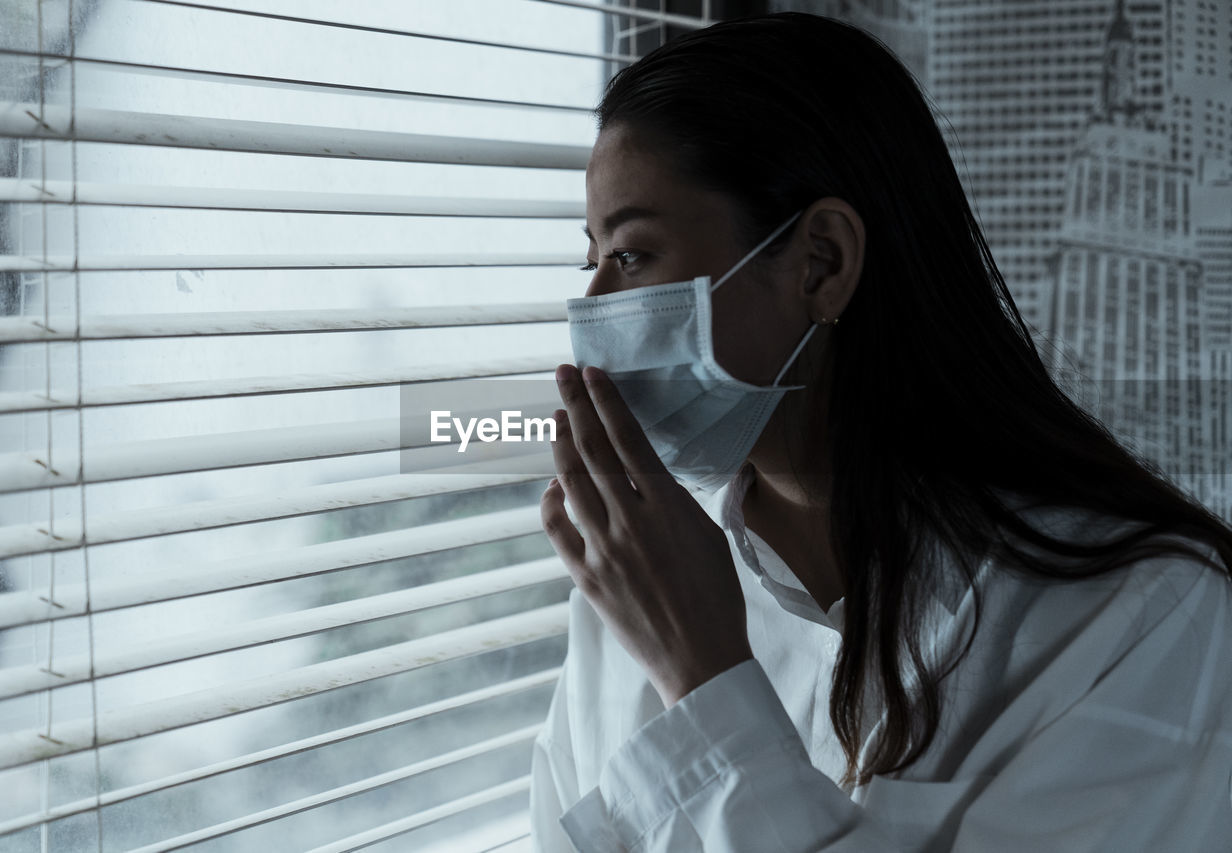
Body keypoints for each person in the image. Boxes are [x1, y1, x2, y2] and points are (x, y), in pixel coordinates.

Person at [528, 11, 1232, 853]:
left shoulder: (1146, 615)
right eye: (590, 260)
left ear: (821, 261)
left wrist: (704, 679)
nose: (594, 310)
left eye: (634, 256)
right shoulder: (628, 592)